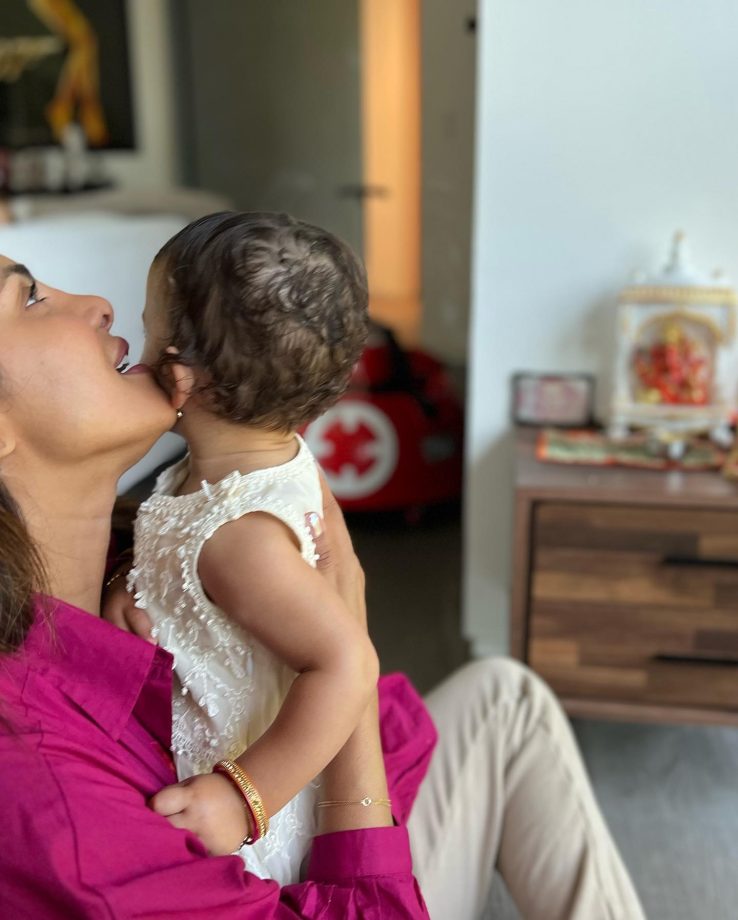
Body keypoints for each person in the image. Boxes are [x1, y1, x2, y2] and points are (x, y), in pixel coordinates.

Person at [0, 252, 646, 919]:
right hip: (295, 867)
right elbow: (340, 666)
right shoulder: (44, 791)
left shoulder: (142, 544)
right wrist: (347, 632)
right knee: (499, 706)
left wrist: (131, 583)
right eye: (29, 299)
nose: (97, 303)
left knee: (505, 696)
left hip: (275, 790)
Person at [103, 212, 380, 886]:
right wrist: (135, 588)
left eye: (149, 330)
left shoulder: (238, 536)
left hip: (245, 813)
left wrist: (243, 795)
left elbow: (346, 663)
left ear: (183, 377)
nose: (136, 352)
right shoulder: (248, 461)